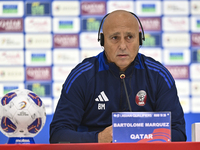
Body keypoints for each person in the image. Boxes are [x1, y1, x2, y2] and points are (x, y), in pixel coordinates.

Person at [49, 10, 186, 143]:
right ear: (102, 41)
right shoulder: (82, 76)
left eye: (129, 37)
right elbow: (58, 134)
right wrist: (98, 139)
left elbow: (178, 133)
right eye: (115, 38)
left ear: (140, 39)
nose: (122, 46)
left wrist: (137, 136)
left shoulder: (158, 75)